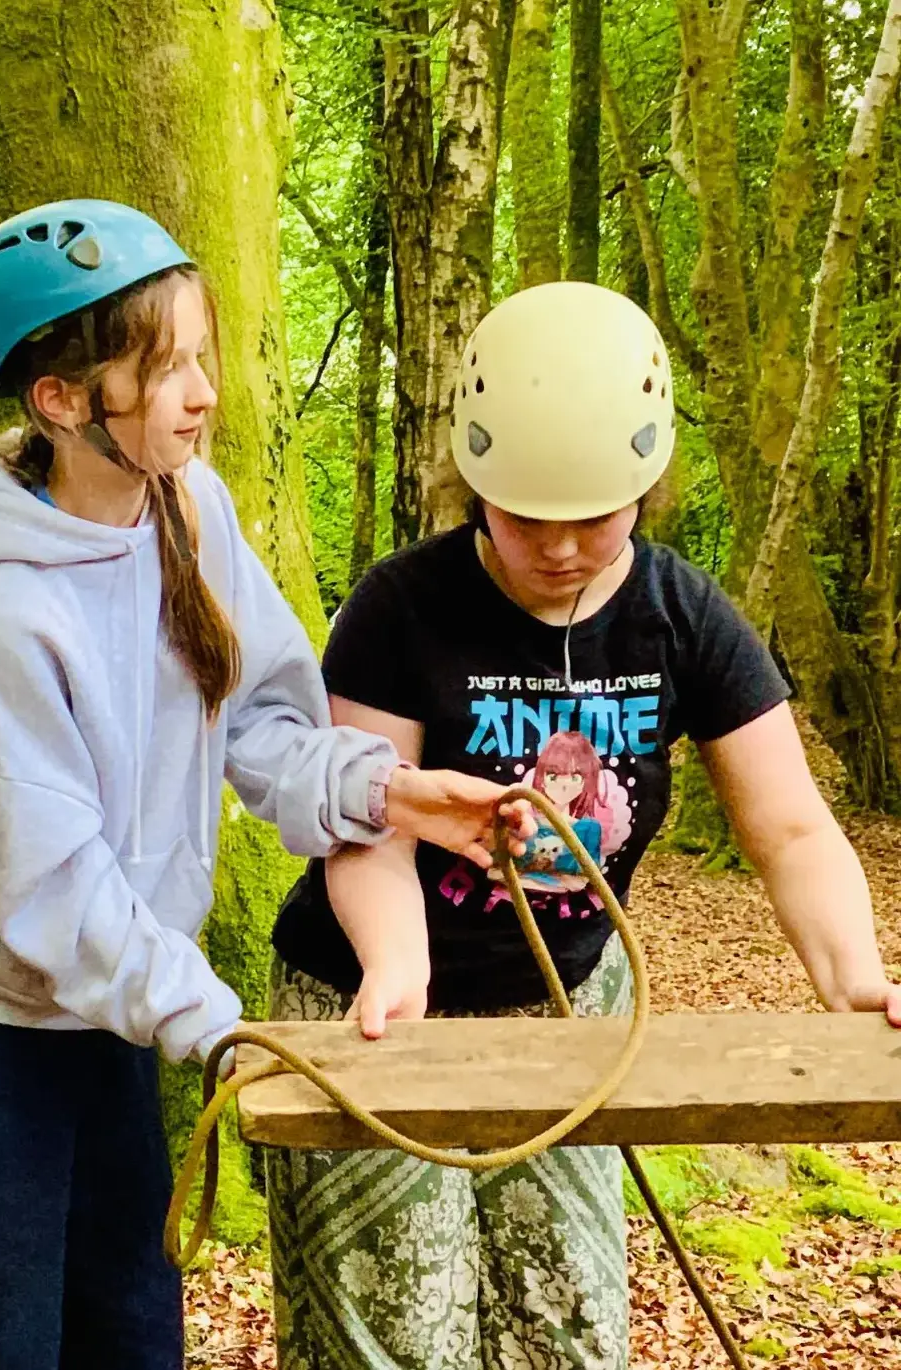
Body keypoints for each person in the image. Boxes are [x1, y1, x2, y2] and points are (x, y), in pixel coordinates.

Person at [0, 199, 529, 1369]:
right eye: (164, 368)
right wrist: (217, 1024)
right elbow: (50, 886)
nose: (201, 391)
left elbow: (255, 718)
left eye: (201, 356)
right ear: (60, 400)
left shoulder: (186, 510)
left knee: (122, 1322)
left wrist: (392, 793)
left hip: (108, 995)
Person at [266, 280, 901, 1370]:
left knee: (563, 1328)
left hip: (567, 1004)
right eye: (525, 520)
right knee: (395, 1338)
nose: (559, 549)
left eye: (592, 519)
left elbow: (790, 828)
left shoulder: (684, 615)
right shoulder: (398, 606)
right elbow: (368, 819)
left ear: (645, 485)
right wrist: (395, 966)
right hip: (371, 1001)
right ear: (473, 485)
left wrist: (855, 979)